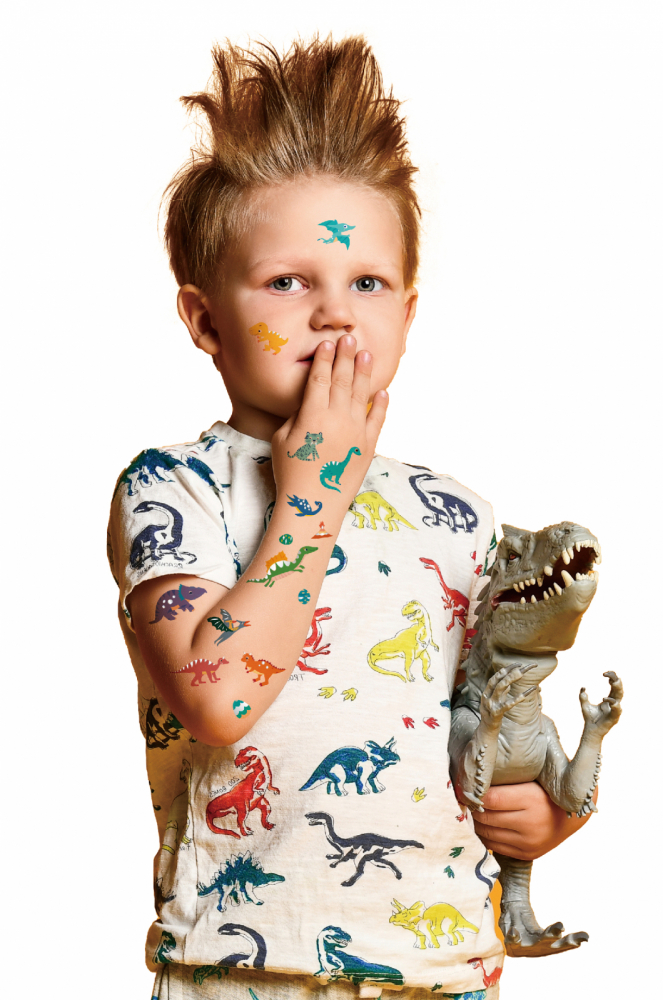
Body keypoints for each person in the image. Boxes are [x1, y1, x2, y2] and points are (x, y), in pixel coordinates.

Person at [107, 36, 595, 1000]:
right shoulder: (174, 489)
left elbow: (491, 723)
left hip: (443, 970)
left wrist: (543, 816)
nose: (334, 314)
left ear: (405, 316)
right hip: (241, 966)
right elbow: (216, 700)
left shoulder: (459, 519)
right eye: (288, 282)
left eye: (364, 283)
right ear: (205, 320)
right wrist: (313, 497)